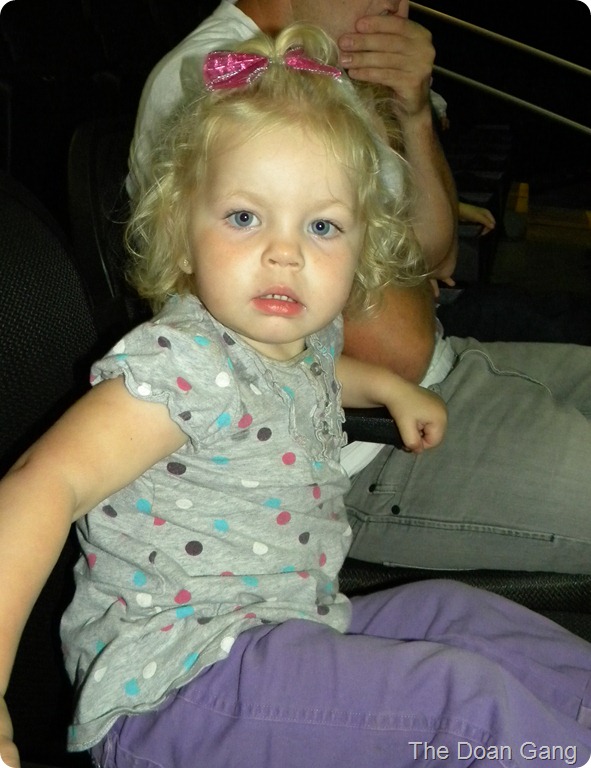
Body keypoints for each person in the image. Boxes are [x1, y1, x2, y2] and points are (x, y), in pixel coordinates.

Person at [2, 25, 591, 768]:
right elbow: (42, 484)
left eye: (322, 226)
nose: (286, 252)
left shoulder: (293, 340)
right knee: (460, 704)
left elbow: (316, 370)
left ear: (361, 249)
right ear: (180, 231)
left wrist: (387, 386)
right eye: (244, 217)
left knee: (460, 614)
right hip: (176, 684)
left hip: (291, 624)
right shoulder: (180, 364)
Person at [127, 0, 591, 575]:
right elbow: (391, 347)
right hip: (363, 452)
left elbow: (438, 254)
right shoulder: (214, 76)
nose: (399, 6)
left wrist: (413, 113)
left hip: (433, 375)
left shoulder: (321, 74)